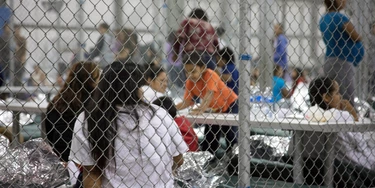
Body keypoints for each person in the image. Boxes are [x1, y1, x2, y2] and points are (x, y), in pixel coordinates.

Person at [69, 62, 188, 187]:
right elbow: (178, 160)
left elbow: (91, 174)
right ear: (138, 87)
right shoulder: (160, 115)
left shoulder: (88, 119)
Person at [285, 77, 375, 187]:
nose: (341, 97)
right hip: (350, 175)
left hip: (311, 176)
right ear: (326, 97)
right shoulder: (341, 116)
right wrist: (354, 117)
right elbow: (362, 151)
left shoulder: (308, 117)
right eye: (337, 93)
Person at [176, 52, 238, 165]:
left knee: (230, 135)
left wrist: (201, 109)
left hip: (230, 103)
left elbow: (209, 94)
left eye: (193, 71)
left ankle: (234, 161)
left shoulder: (210, 75)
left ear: (203, 68)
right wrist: (172, 108)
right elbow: (187, 101)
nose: (189, 75)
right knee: (210, 135)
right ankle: (208, 161)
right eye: (186, 71)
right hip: (214, 110)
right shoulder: (190, 81)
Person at [46, 61, 100, 162]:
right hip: (86, 158)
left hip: (60, 155)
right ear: (92, 80)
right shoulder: (96, 102)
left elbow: (49, 132)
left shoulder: (57, 101)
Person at [319, 0, 364, 106]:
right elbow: (356, 36)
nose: (345, 1)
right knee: (346, 95)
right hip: (342, 61)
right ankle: (348, 118)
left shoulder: (323, 19)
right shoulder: (339, 18)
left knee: (332, 94)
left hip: (329, 60)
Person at [173, 8, 219, 72]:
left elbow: (179, 37)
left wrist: (176, 52)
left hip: (192, 56)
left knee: (190, 78)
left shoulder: (188, 21)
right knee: (209, 78)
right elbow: (216, 43)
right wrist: (217, 57)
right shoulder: (209, 26)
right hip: (209, 56)